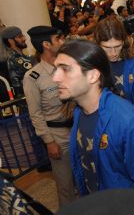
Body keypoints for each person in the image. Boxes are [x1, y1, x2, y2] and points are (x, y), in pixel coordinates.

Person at [52, 39, 134, 195]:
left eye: (66, 69)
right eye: (56, 69)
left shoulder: (129, 121)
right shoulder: (79, 112)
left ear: (93, 76)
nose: (55, 78)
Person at [23, 26, 75, 207]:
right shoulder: (33, 77)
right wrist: (49, 141)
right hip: (58, 135)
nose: (63, 42)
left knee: (87, 175)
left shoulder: (70, 66)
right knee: (65, 183)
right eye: (58, 39)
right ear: (46, 45)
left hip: (79, 128)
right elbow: (35, 114)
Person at [93, 17, 134, 113]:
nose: (113, 53)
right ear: (98, 44)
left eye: (117, 46)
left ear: (124, 42)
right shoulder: (90, 68)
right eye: (107, 48)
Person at [1, 26, 34, 97]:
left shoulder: (21, 56)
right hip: (27, 100)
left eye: (23, 36)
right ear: (11, 40)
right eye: (20, 37)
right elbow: (36, 73)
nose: (24, 39)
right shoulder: (14, 58)